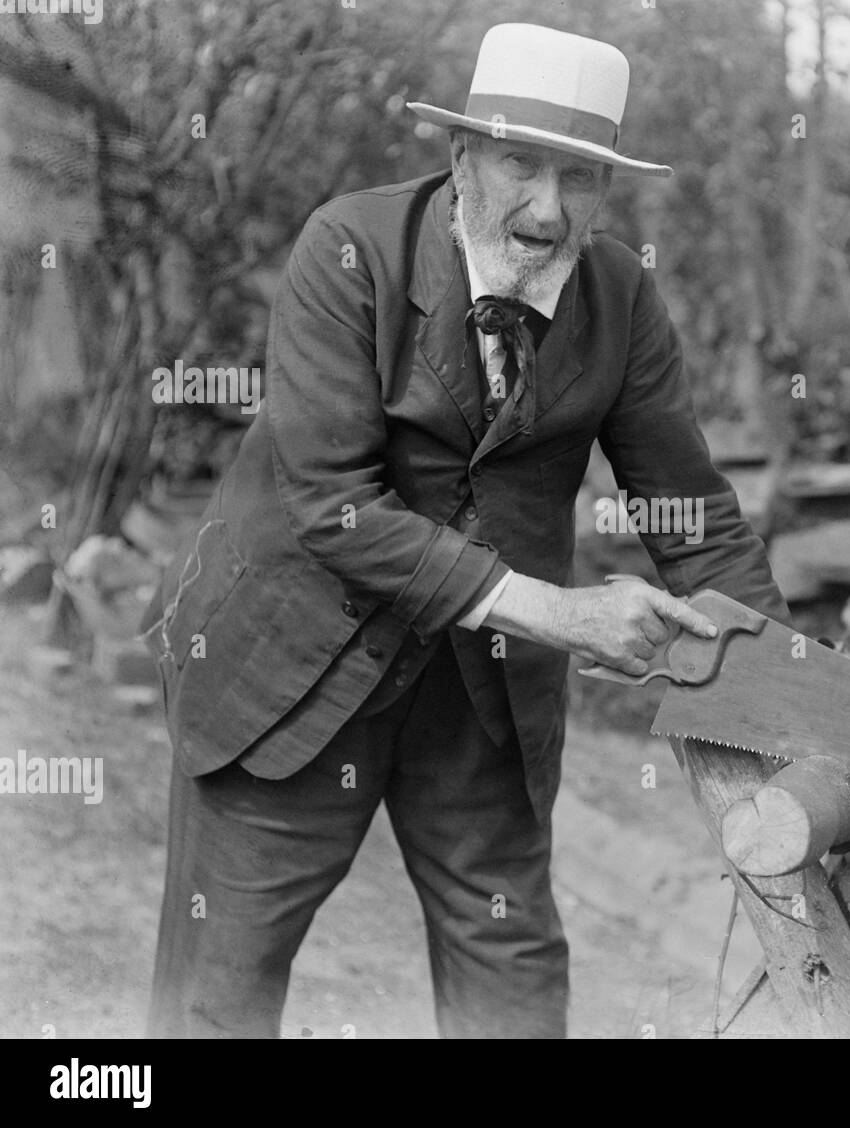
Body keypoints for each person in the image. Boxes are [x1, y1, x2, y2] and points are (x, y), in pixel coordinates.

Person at [142, 21, 789, 1039]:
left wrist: (790, 706)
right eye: (518, 167)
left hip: (479, 695)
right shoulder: (347, 251)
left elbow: (692, 519)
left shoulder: (620, 294)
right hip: (290, 676)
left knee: (512, 972)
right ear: (458, 157)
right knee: (219, 984)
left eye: (579, 178)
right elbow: (333, 506)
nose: (545, 211)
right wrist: (563, 615)